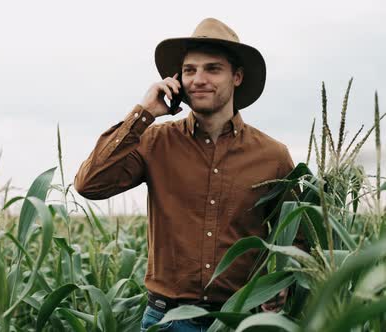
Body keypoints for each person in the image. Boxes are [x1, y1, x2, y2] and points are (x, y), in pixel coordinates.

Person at [74, 18, 302, 331]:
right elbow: (90, 184)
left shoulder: (273, 156)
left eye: (212, 69)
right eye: (189, 70)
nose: (198, 79)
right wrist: (143, 113)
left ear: (236, 76)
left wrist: (282, 282)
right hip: (167, 319)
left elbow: (299, 235)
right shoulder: (156, 141)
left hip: (241, 320)